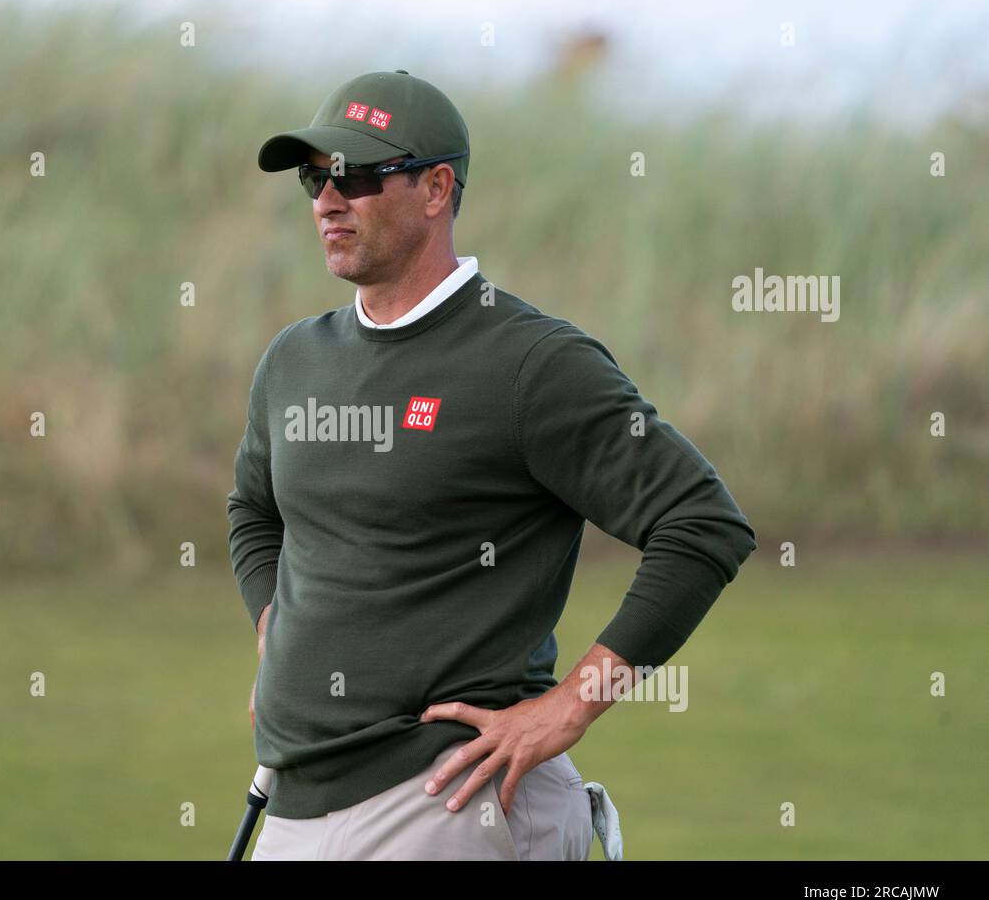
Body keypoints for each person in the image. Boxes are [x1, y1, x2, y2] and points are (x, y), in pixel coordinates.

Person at [227, 70, 756, 859]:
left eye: (358, 176)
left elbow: (702, 524)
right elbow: (254, 511)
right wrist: (280, 629)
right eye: (315, 177)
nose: (328, 201)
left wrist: (569, 708)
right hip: (294, 799)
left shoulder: (530, 363)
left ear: (437, 188)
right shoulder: (296, 358)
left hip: (443, 800)